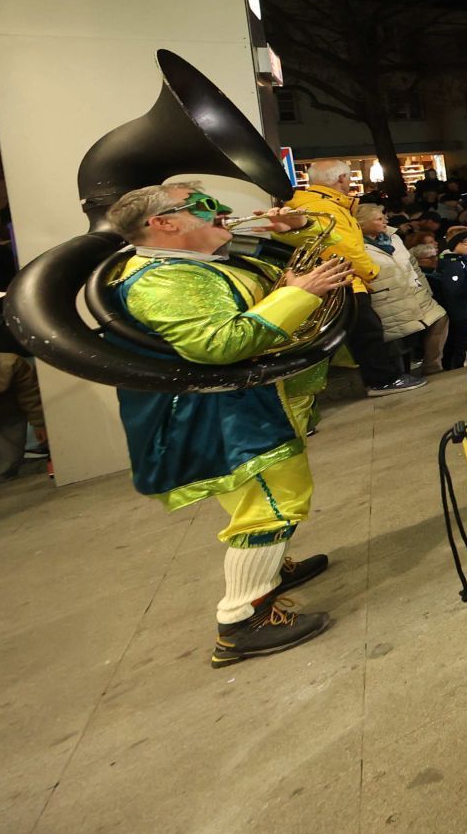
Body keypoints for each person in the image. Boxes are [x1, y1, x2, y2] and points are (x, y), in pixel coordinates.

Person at [103, 184, 353, 665]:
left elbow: (325, 262)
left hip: (248, 400)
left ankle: (271, 566)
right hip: (223, 416)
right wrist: (294, 298)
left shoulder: (198, 265)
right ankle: (245, 618)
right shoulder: (164, 280)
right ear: (163, 224)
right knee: (273, 502)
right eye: (199, 206)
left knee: (271, 497)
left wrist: (299, 231)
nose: (219, 211)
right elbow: (218, 344)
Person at [289, 161, 421, 398]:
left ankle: (381, 379)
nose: (349, 182)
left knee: (360, 334)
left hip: (336, 279)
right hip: (344, 280)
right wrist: (370, 270)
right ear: (341, 178)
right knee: (367, 333)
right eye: (348, 177)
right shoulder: (324, 207)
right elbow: (344, 248)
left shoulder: (314, 203)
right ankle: (383, 380)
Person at [358, 204, 448, 377]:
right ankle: (400, 377)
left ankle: (432, 367)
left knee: (440, 318)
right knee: (399, 342)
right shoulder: (356, 246)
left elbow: (412, 263)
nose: (385, 221)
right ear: (362, 223)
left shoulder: (394, 238)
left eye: (384, 217)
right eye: (378, 219)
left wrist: (424, 287)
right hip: (386, 299)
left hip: (413, 293)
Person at [0, 340, 43, 486]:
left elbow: (30, 396)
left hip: (5, 418)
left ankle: (0, 487)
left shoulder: (10, 364)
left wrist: (39, 424)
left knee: (5, 465)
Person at [431, 232, 467, 369]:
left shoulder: (465, 260)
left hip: (465, 308)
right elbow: (456, 290)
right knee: (462, 342)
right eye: (464, 242)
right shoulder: (454, 265)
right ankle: (458, 370)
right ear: (454, 245)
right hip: (462, 309)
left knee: (461, 341)